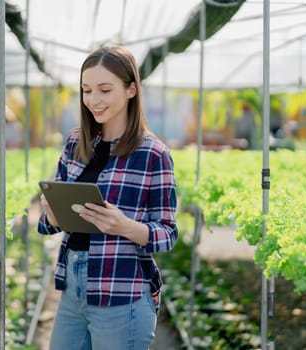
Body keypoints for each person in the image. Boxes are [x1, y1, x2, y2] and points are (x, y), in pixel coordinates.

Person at [37, 46, 178, 350]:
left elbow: (168, 233)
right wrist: (51, 215)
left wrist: (125, 226)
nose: (93, 100)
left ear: (131, 90)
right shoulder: (76, 141)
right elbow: (50, 222)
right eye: (87, 90)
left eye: (104, 89)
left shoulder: (153, 154)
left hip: (121, 291)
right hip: (73, 287)